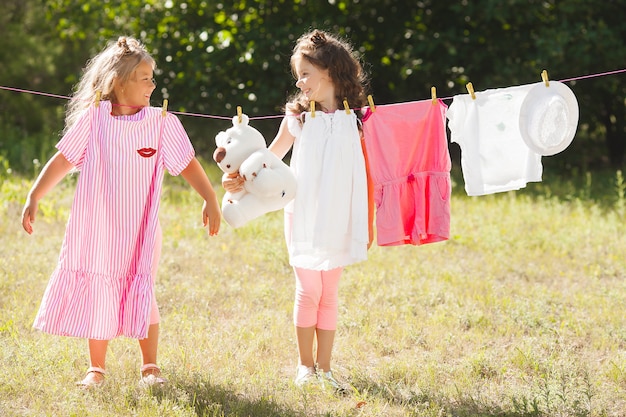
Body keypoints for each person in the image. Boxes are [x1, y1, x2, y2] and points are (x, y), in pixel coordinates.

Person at [21, 36, 221, 388]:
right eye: (144, 77)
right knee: (100, 292)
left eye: (152, 77)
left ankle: (150, 368)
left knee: (143, 289)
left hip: (140, 232)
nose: (152, 84)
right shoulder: (93, 121)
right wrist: (35, 194)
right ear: (118, 83)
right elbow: (63, 160)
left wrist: (210, 197)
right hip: (97, 229)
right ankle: (95, 369)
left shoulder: (162, 123)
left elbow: (188, 164)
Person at [224, 29, 374, 392]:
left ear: (330, 71)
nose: (300, 82)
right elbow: (269, 158)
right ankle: (304, 367)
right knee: (309, 290)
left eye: (306, 73)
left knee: (330, 293)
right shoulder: (298, 118)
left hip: (339, 215)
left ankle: (326, 368)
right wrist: (240, 180)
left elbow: (369, 169)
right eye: (298, 76)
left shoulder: (357, 119)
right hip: (303, 214)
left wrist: (368, 218)